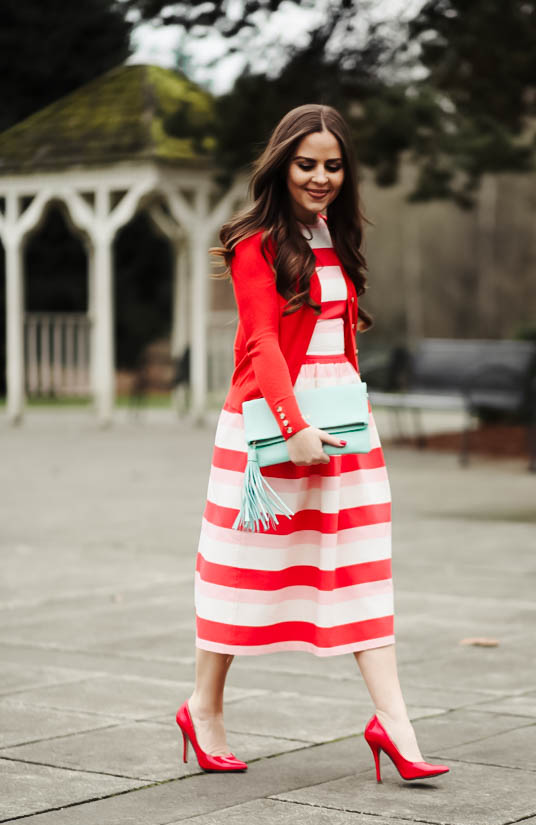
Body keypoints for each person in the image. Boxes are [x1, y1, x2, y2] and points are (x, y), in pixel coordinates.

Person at [175, 105, 449, 783]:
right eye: (306, 164)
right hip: (271, 430)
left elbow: (339, 341)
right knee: (243, 572)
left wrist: (342, 413)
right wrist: (293, 426)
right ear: (281, 164)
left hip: (343, 428)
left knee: (359, 565)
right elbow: (263, 341)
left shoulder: (337, 234)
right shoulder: (253, 242)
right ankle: (202, 708)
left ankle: (396, 725)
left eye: (332, 164)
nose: (321, 177)